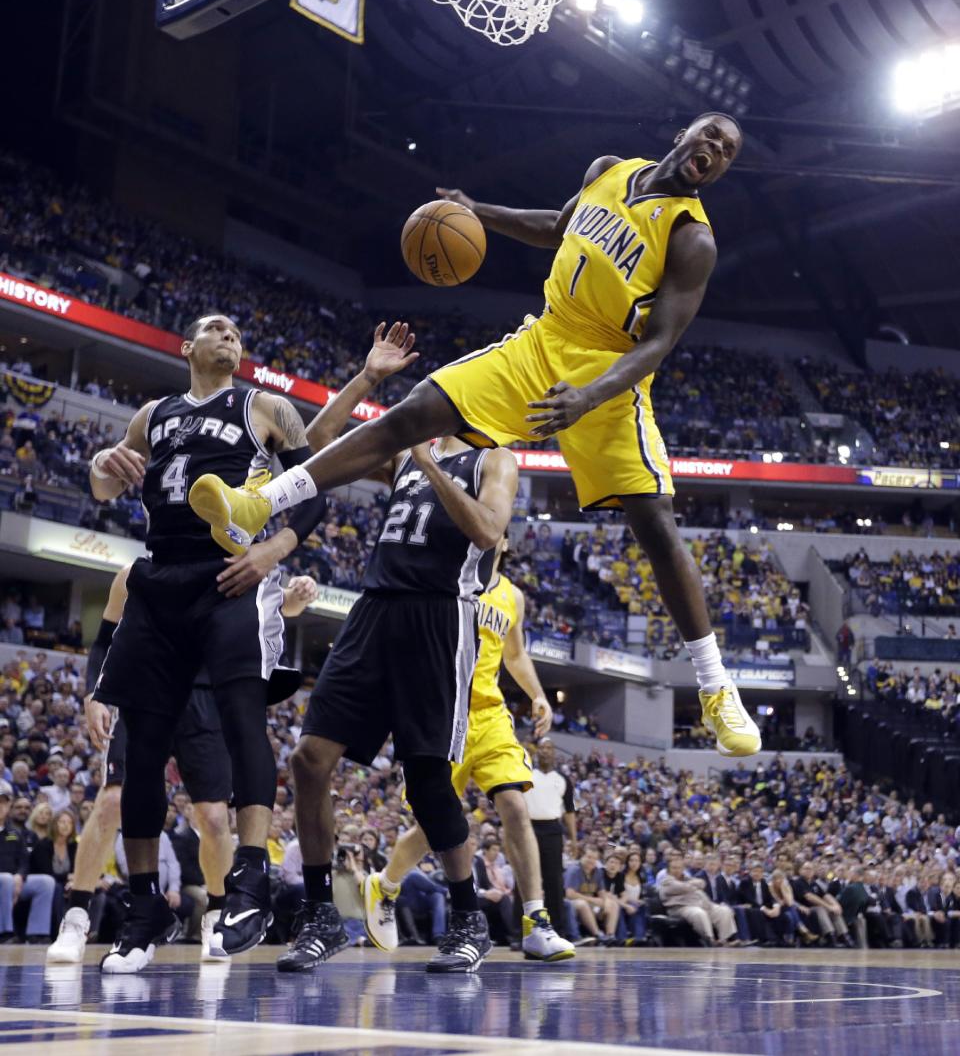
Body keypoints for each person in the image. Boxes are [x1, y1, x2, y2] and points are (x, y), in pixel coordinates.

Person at [188, 113, 761, 761]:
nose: (713, 150)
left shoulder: (692, 240)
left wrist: (588, 396)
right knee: (411, 413)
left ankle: (716, 687)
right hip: (543, 341)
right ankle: (259, 502)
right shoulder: (609, 172)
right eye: (710, 135)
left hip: (609, 373)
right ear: (684, 132)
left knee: (653, 519)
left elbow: (658, 343)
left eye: (728, 151)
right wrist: (475, 211)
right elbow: (554, 226)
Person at [231, 336, 515, 975]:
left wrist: (431, 463)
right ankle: (320, 914)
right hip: (375, 610)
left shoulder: (494, 460)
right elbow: (318, 449)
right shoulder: (406, 451)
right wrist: (364, 377)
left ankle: (470, 920)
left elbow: (488, 531)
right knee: (309, 759)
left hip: (440, 617)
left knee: (427, 779)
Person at [84, 312, 333, 973]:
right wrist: (102, 466)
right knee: (140, 752)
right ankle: (145, 907)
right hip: (160, 574)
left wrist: (275, 548)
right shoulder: (153, 414)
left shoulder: (265, 406)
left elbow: (313, 490)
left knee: (243, 717)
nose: (229, 333)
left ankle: (250, 879)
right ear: (188, 346)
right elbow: (104, 485)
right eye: (213, 327)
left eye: (235, 330)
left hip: (230, 574)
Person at [46, 564, 317, 966]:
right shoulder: (136, 572)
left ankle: (215, 913)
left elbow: (281, 607)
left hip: (205, 695)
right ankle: (76, 915)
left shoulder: (230, 566)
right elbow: (105, 640)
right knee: (112, 801)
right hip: (144, 687)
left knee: (210, 817)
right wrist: (93, 693)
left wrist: (299, 593)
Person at [362, 536, 574, 963]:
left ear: (507, 540)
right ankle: (385, 884)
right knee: (433, 828)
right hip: (441, 712)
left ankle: (536, 921)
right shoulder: (445, 574)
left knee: (515, 804)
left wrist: (537, 694)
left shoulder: (512, 595)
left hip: (490, 714)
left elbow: (515, 655)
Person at [524, 741, 578, 939]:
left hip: (553, 829)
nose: (545, 751)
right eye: (542, 748)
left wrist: (573, 839)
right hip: (528, 828)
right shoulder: (526, 774)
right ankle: (519, 932)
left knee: (554, 881)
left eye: (549, 748)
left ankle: (558, 930)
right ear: (537, 753)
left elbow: (570, 812)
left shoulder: (563, 779)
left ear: (555, 753)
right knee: (526, 879)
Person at [0, 786, 56, 943]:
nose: (0, 807)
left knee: (46, 882)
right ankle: (5, 933)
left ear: (8, 808)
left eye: (4, 804)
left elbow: (24, 860)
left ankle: (37, 933)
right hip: (4, 880)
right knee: (5, 879)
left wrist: (20, 876)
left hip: (13, 881)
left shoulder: (15, 833)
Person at [658, 854, 737, 946]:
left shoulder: (686, 878)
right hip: (681, 908)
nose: (677, 870)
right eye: (674, 868)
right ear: (669, 870)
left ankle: (724, 940)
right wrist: (692, 885)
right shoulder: (666, 881)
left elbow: (702, 883)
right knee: (699, 913)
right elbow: (683, 887)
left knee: (724, 910)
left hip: (701, 904)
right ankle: (710, 940)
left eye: (679, 868)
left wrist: (690, 884)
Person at [565, 844, 619, 945]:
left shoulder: (597, 871)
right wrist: (592, 900)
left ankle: (610, 936)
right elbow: (570, 894)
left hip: (589, 903)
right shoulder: (574, 870)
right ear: (582, 856)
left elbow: (602, 892)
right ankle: (598, 935)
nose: (592, 861)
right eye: (589, 857)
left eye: (595, 858)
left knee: (613, 904)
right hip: (571, 903)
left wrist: (606, 902)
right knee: (582, 904)